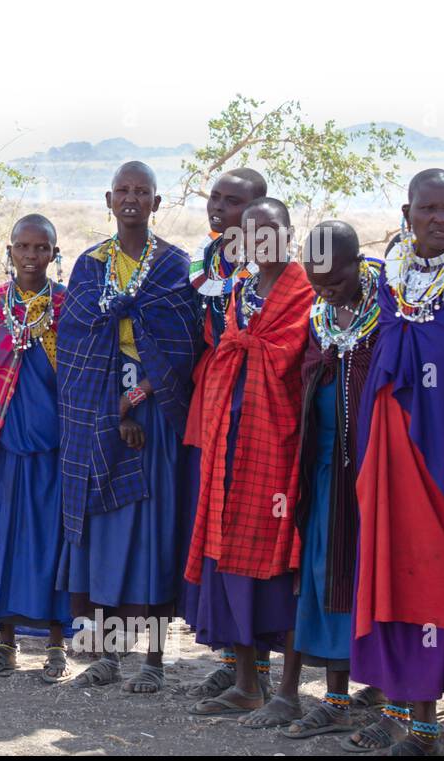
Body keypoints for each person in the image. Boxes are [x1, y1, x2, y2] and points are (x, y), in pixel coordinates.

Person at [237, 221, 389, 733]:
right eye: (317, 281)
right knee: (322, 575)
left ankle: (375, 691)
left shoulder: (385, 304)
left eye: (335, 281)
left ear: (357, 263)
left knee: (370, 575)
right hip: (322, 467)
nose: (324, 291)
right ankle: (332, 697)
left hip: (374, 469)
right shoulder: (320, 314)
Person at [56, 161, 200, 693]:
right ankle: (107, 656)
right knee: (104, 533)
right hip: (96, 410)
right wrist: (112, 408)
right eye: (123, 191)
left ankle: (156, 660)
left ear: (158, 203)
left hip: (157, 412)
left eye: (143, 191)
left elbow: (186, 349)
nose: (132, 199)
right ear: (108, 199)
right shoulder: (89, 265)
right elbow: (75, 340)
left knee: (156, 530)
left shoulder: (176, 266)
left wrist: (137, 397)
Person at [351, 169, 444, 756]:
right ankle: (422, 722)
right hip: (399, 448)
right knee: (412, 576)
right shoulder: (389, 283)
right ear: (407, 214)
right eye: (429, 209)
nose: (441, 220)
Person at [184, 197, 310, 718]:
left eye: (272, 232)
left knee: (281, 562)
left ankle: (288, 690)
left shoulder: (307, 292)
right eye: (251, 235)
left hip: (279, 446)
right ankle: (245, 682)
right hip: (229, 439)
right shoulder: (239, 290)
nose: (262, 243)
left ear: (288, 232)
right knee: (227, 550)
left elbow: (303, 364)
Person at [0, 214, 74, 682]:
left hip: (56, 446)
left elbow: (75, 376)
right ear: (9, 250)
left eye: (41, 248)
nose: (31, 256)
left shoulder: (67, 306)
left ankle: (56, 647)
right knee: (5, 539)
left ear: (54, 253)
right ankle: (5, 643)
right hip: (6, 443)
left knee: (53, 542)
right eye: (23, 247)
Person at [182, 168, 270, 698]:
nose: (218, 207)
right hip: (209, 399)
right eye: (214, 197)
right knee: (211, 518)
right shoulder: (206, 262)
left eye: (233, 201)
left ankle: (255, 662)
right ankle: (230, 651)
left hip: (253, 407)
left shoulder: (274, 268)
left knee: (246, 526)